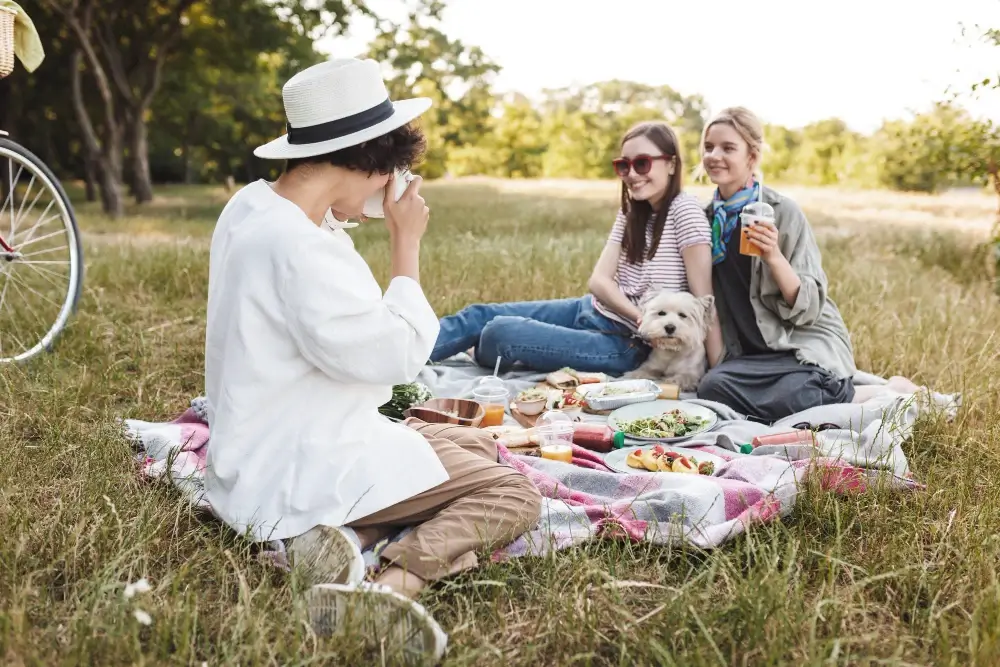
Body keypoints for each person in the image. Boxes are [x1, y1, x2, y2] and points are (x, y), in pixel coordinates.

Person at [203, 58, 542, 662]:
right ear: (369, 159)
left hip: (253, 454)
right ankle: (391, 584)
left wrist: (348, 211)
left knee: (477, 447)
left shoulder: (252, 208)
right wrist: (403, 242)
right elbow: (398, 358)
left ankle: (347, 536)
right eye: (396, 167)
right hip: (299, 469)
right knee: (513, 496)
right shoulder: (304, 250)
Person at [430, 120, 722, 374]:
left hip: (626, 344)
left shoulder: (685, 212)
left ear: (671, 163)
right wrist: (639, 315)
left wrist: (715, 370)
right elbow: (598, 280)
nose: (632, 174)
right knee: (479, 314)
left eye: (642, 163)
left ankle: (483, 349)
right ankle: (401, 354)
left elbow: (704, 301)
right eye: (624, 165)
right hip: (591, 310)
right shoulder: (633, 210)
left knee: (499, 331)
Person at [695, 106, 919, 422]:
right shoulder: (706, 220)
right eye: (709, 147)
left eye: (728, 147)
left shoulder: (782, 211)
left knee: (795, 389)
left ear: (752, 156)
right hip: (753, 354)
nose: (714, 155)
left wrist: (773, 256)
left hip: (800, 343)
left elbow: (810, 306)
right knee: (712, 386)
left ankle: (873, 393)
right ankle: (839, 394)